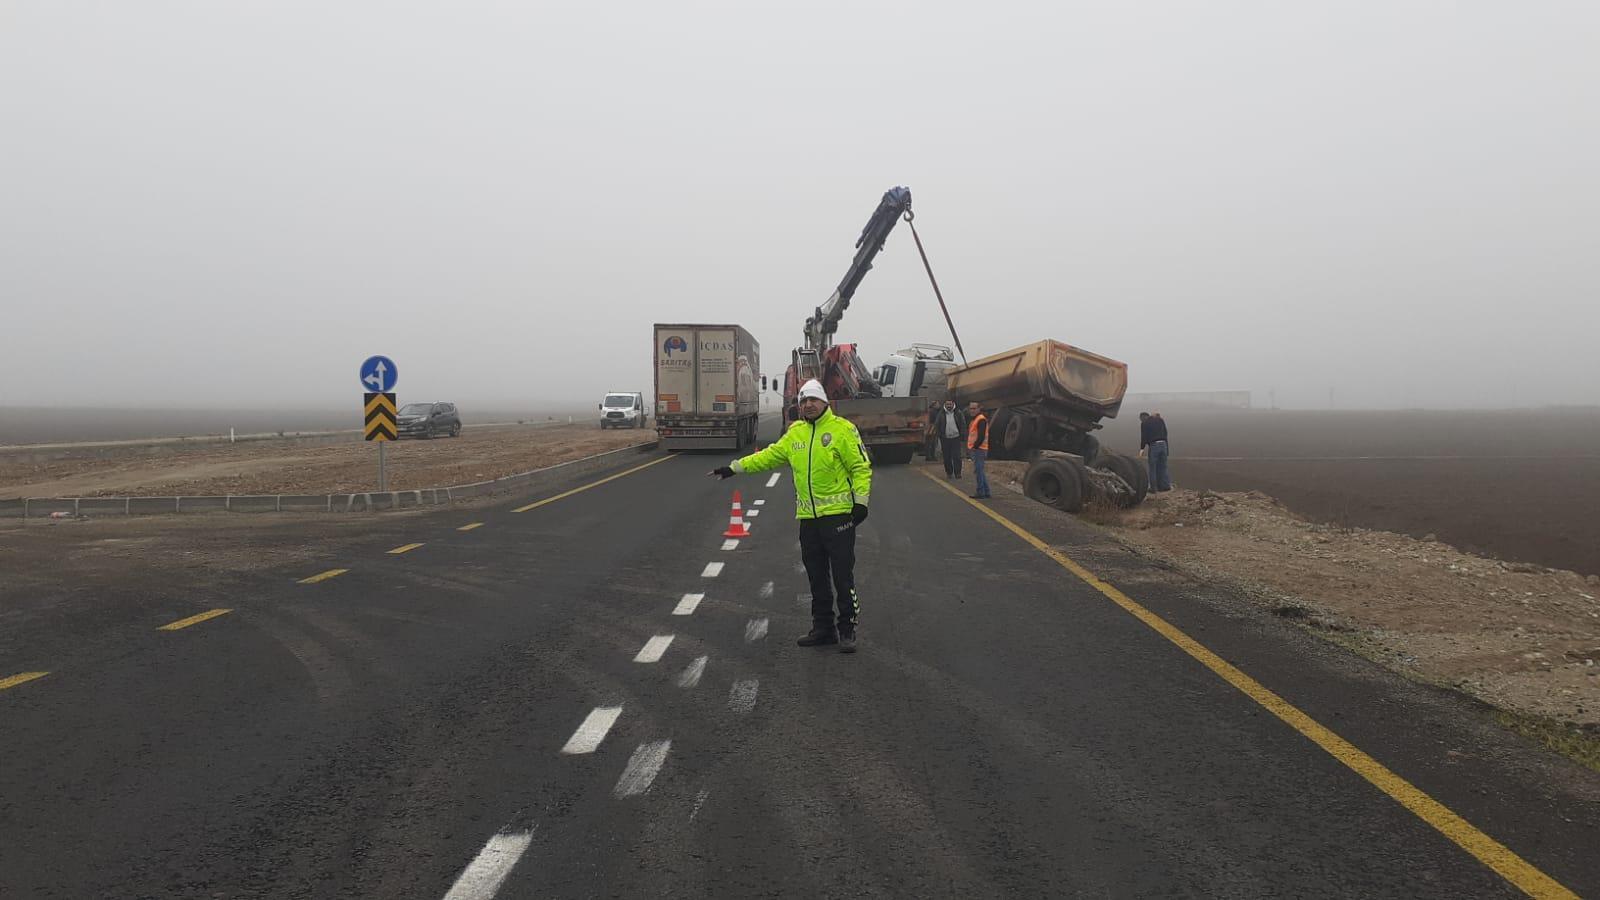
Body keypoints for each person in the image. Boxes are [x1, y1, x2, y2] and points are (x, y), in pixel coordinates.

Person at [709, 379, 872, 653]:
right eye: (803, 401)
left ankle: (848, 629)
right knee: (816, 576)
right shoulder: (795, 432)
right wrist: (734, 467)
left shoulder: (843, 430)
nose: (808, 405)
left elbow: (860, 467)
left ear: (824, 402)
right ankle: (823, 629)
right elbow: (769, 456)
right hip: (808, 519)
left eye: (813, 400)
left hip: (839, 518)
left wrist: (861, 503)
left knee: (843, 577)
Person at [930, 399, 967, 480]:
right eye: (947, 404)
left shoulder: (958, 413)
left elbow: (963, 424)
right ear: (945, 405)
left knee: (957, 456)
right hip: (945, 438)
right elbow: (937, 424)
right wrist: (939, 435)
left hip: (956, 438)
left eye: (950, 404)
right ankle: (949, 472)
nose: (949, 406)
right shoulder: (941, 413)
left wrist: (963, 435)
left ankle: (958, 473)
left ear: (953, 404)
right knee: (947, 457)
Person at [1139, 411, 1172, 492]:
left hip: (1154, 446)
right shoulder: (1160, 420)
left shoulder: (1144, 423)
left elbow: (1144, 436)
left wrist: (1142, 449)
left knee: (1152, 468)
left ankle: (1153, 488)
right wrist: (1167, 449)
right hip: (1163, 444)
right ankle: (1165, 486)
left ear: (1142, 417)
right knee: (1163, 467)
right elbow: (1165, 433)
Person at [966, 401, 991, 499]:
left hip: (979, 449)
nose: (972, 410)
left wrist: (975, 447)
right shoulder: (976, 419)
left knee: (978, 471)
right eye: (970, 408)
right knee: (980, 471)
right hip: (978, 449)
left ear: (979, 409)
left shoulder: (981, 420)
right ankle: (986, 491)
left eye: (974, 408)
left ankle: (981, 492)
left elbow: (981, 436)